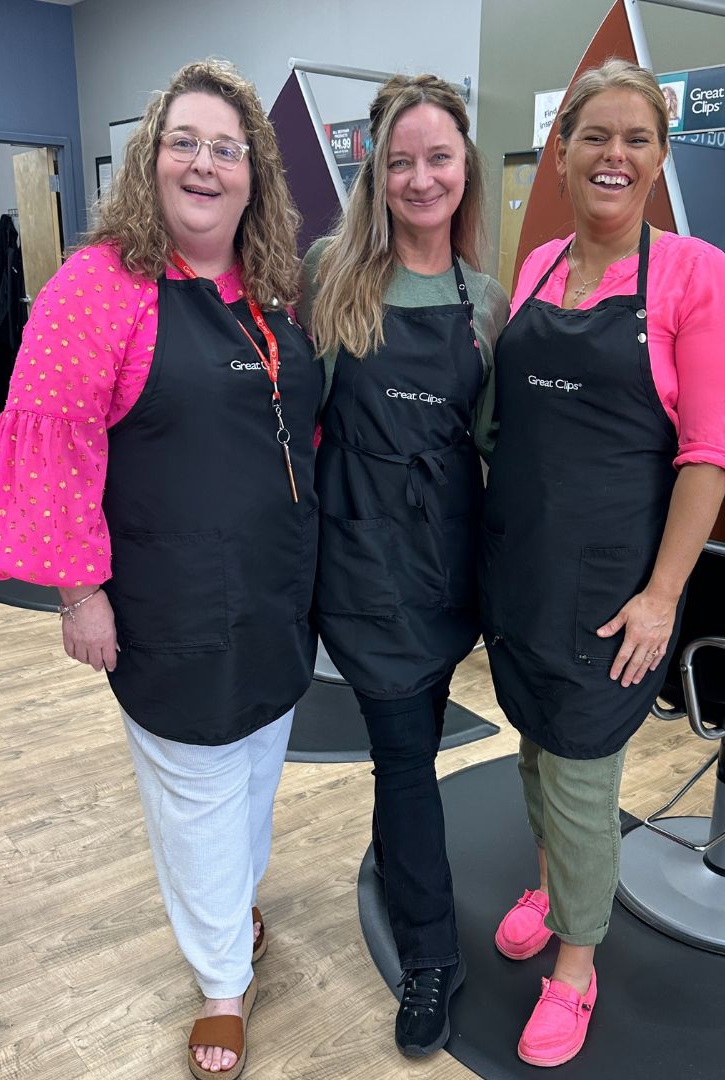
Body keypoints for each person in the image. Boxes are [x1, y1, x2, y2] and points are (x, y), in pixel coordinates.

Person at [0, 59, 322, 1079]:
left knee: (259, 766)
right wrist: (78, 591)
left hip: (273, 588)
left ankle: (233, 912)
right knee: (196, 789)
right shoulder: (102, 284)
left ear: (254, 173)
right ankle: (222, 982)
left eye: (228, 148)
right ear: (151, 157)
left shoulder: (267, 287)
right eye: (186, 142)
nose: (206, 164)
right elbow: (50, 442)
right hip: (167, 598)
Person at [478, 59, 725, 1068]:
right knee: (535, 747)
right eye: (595, 135)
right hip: (523, 569)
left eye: (638, 138)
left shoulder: (697, 278)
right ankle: (551, 889)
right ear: (561, 152)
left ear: (660, 158)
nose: (615, 154)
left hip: (615, 589)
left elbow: (710, 454)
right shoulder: (541, 266)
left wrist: (661, 597)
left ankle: (576, 970)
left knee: (586, 775)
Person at [299, 73, 509, 1057]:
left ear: (465, 167)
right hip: (362, 558)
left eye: (439, 158)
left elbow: (492, 443)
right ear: (375, 175)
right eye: (401, 161)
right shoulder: (329, 275)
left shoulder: (488, 302)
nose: (421, 178)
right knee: (404, 756)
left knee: (410, 753)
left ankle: (395, 861)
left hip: (443, 566)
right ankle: (433, 957)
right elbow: (292, 427)